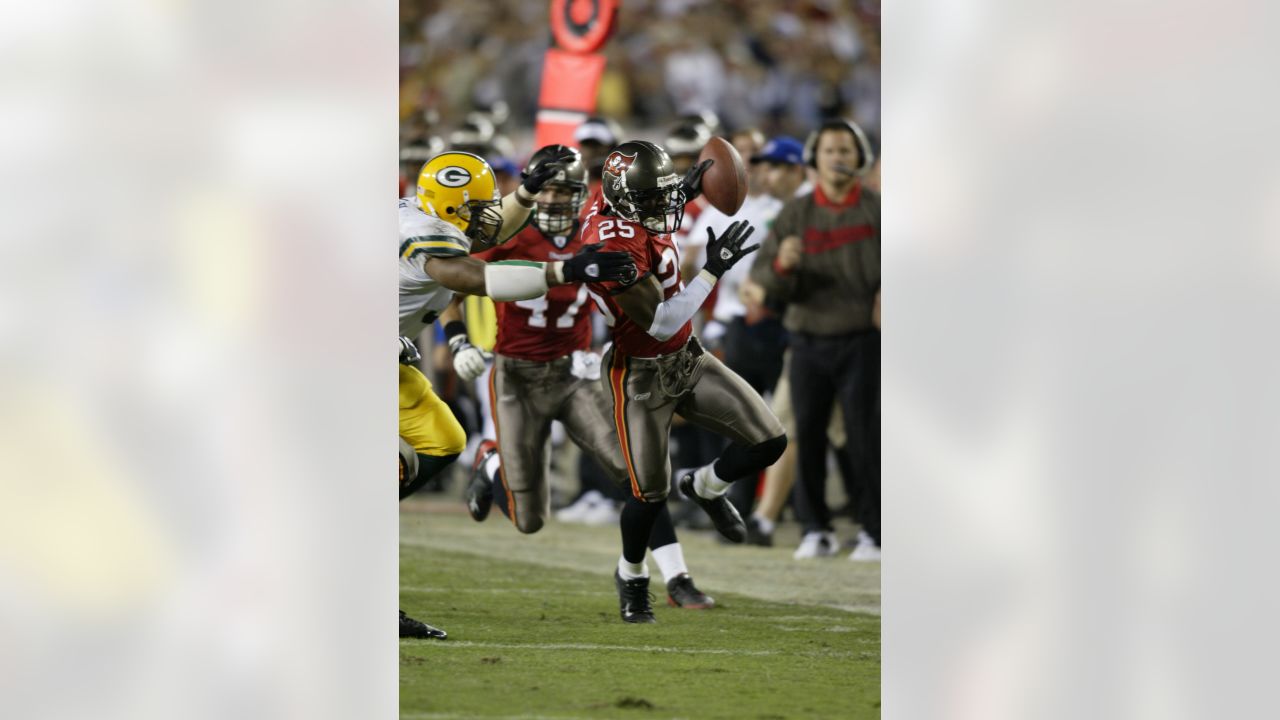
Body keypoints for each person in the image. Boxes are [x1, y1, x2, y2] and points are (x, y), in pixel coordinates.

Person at [458, 145, 715, 619]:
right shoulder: (510, 231)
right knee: (529, 521)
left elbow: (642, 207)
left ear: (585, 194)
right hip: (516, 373)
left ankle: (677, 576)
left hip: (575, 369)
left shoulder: (597, 227)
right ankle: (491, 463)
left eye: (566, 191)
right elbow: (457, 278)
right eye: (547, 189)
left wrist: (684, 188)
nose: (555, 200)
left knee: (635, 475)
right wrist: (457, 340)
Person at [398, 150, 638, 638]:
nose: (488, 214)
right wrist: (563, 272)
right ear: (448, 209)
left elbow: (489, 232)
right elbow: (477, 278)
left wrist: (525, 192)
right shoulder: (429, 240)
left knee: (443, 441)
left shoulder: (428, 216)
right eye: (476, 207)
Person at [582, 140, 788, 623]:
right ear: (624, 201)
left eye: (664, 194)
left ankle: (705, 486)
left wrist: (686, 186)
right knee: (648, 494)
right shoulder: (612, 244)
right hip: (639, 374)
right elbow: (661, 320)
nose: (665, 206)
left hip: (688, 357)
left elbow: (655, 198)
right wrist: (714, 270)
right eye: (653, 199)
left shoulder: (624, 198)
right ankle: (632, 574)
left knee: (770, 440)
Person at [749, 118, 881, 562]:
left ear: (859, 158)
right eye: (829, 151)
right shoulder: (796, 214)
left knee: (866, 437)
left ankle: (875, 531)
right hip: (807, 338)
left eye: (846, 151)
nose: (838, 159)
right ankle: (815, 528)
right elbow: (762, 281)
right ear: (814, 160)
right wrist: (783, 268)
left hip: (862, 337)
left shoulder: (878, 210)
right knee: (804, 436)